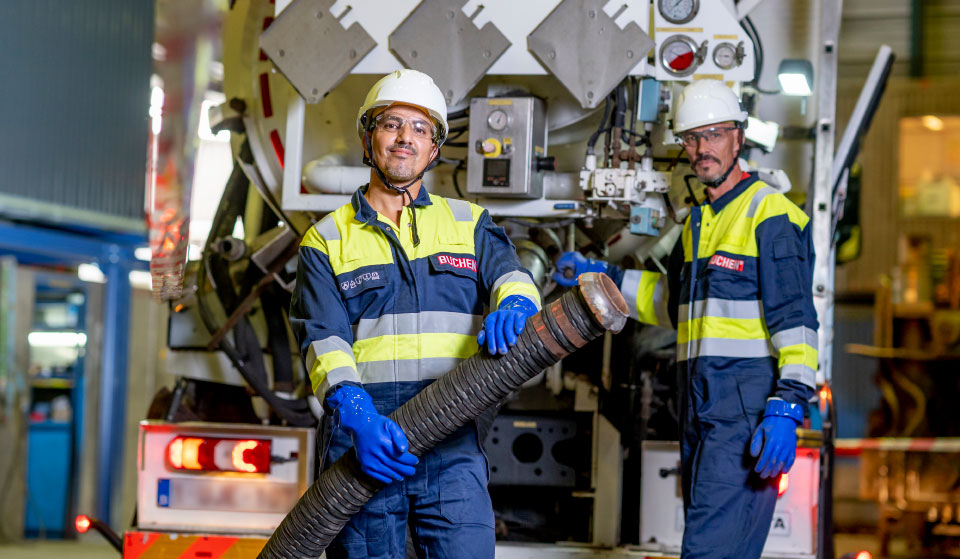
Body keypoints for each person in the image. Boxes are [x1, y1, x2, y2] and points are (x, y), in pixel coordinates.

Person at [555, 79, 819, 559]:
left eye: (714, 134)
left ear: (738, 137)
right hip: (698, 407)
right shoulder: (697, 223)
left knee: (707, 550)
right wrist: (604, 274)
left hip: (744, 411)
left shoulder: (771, 215)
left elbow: (797, 323)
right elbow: (671, 305)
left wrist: (787, 407)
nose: (702, 149)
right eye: (692, 138)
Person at [289, 69, 541, 559]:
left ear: (433, 150)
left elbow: (514, 276)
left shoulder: (468, 223)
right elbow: (324, 340)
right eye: (391, 124)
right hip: (367, 446)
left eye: (421, 129)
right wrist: (358, 419)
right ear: (369, 139)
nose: (406, 137)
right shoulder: (326, 239)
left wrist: (515, 303)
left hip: (452, 441)